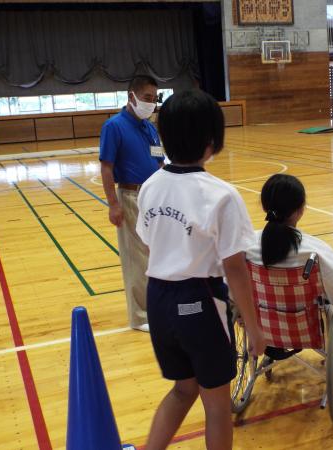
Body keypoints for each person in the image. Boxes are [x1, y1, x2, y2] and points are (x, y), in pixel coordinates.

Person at [136, 90, 265, 450]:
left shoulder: (150, 186)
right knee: (217, 407)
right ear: (212, 141)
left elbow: (150, 242)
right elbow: (235, 270)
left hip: (158, 299)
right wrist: (254, 329)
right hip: (200, 301)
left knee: (183, 388)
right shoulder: (221, 195)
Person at [246, 174, 333, 331]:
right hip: (309, 329)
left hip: (262, 325)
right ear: (300, 210)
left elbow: (231, 285)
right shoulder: (315, 252)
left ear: (265, 208)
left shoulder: (246, 245)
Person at [99, 75, 164, 332]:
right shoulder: (114, 127)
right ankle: (140, 316)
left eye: (154, 99)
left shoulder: (149, 127)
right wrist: (113, 204)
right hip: (131, 196)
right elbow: (106, 167)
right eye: (147, 98)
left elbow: (159, 160)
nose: (151, 103)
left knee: (154, 255)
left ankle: (154, 307)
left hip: (154, 197)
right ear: (131, 96)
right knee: (136, 258)